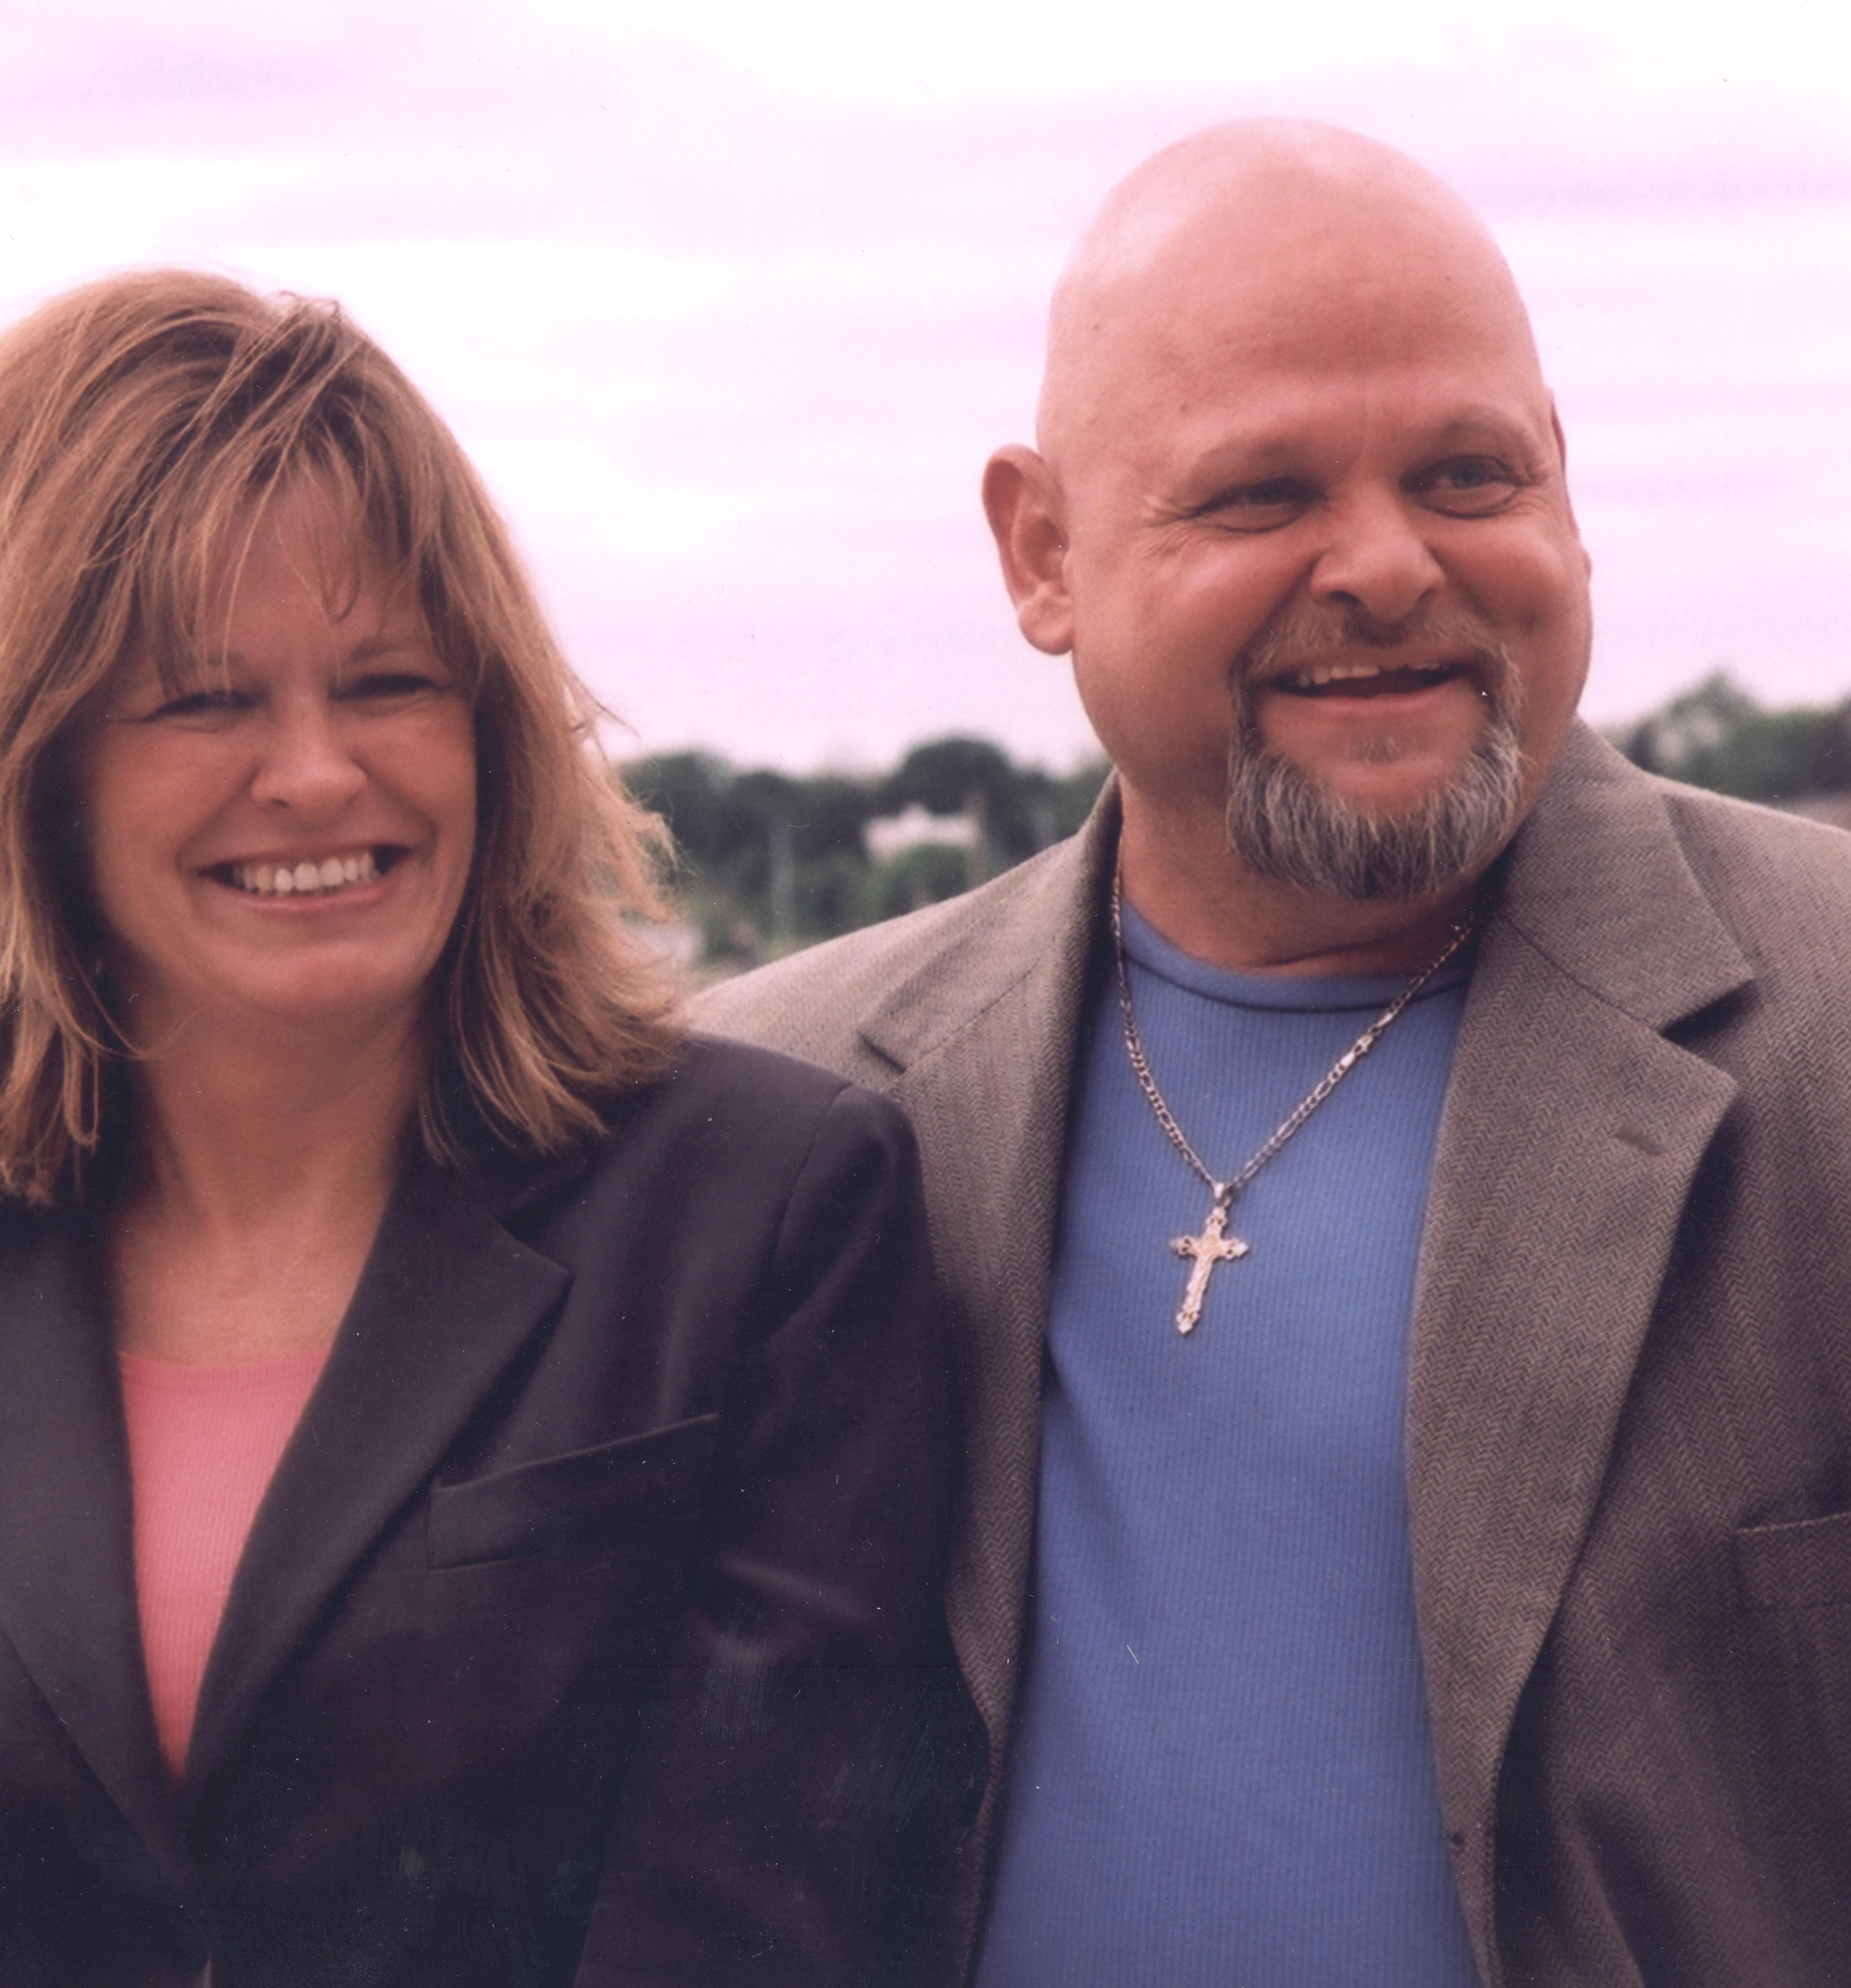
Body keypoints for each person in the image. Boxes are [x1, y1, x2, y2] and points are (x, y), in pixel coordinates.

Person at [0, 270, 977, 1986]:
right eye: (207, 701)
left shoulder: (771, 1212)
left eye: (387, 683)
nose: (315, 772)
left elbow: (768, 1921)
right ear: (25, 765)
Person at [699, 120, 1851, 1985]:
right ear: (1042, 549)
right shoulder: (776, 1108)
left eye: (1469, 472)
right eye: (1260, 495)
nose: (1389, 565)